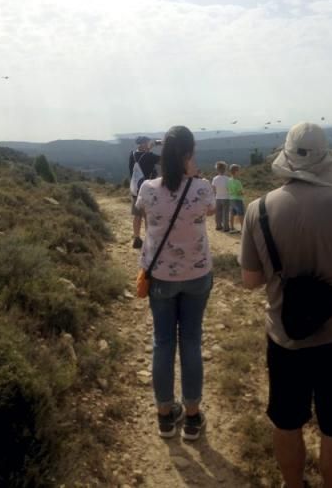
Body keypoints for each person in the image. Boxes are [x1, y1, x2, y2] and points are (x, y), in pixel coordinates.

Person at [239, 122, 332, 488]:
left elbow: (250, 280)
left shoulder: (258, 208)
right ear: (324, 158)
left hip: (284, 337)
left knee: (286, 420)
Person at [135, 126, 216, 441]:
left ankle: (165, 416)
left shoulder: (148, 189)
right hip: (197, 276)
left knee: (163, 343)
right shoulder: (202, 188)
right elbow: (209, 209)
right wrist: (192, 172)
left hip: (161, 279)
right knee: (192, 341)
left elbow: (142, 212)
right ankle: (193, 417)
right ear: (187, 155)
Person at [129, 136, 160, 249]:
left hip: (136, 188)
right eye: (147, 142)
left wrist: (148, 151)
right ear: (143, 143)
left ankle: (136, 239)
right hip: (148, 189)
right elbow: (164, 161)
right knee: (147, 216)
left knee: (137, 216)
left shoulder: (132, 154)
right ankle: (149, 240)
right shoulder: (149, 156)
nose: (149, 144)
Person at [211, 161, 230, 232]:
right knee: (226, 213)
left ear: (217, 169)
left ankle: (218, 226)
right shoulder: (228, 179)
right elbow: (229, 189)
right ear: (225, 169)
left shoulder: (215, 179)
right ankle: (226, 227)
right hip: (226, 198)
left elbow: (213, 189)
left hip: (218, 197)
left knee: (218, 213)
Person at [228, 164, 245, 233]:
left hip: (231, 199)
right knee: (241, 214)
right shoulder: (238, 182)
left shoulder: (229, 180)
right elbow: (239, 192)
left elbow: (227, 189)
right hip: (238, 199)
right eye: (239, 170)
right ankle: (243, 228)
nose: (240, 172)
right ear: (236, 171)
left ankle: (231, 227)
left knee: (232, 213)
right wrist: (243, 193)